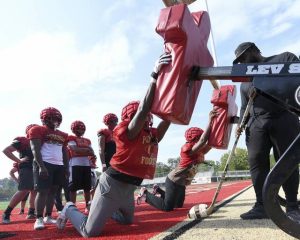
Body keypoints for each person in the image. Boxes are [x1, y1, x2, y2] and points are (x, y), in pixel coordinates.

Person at [56, 53, 172, 237]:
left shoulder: (150, 134)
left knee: (127, 221)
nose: (147, 117)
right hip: (112, 185)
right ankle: (70, 209)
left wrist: (179, 90)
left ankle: (103, 211)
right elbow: (142, 111)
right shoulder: (125, 130)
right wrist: (154, 76)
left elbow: (168, 117)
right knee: (89, 232)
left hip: (128, 188)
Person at [233, 42, 300, 220]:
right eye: (238, 62)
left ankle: (292, 206)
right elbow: (243, 107)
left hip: (284, 116)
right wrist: (240, 124)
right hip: (256, 124)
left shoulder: (284, 58)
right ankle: (261, 205)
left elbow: (295, 83)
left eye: (243, 58)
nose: (242, 64)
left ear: (254, 51)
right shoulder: (246, 80)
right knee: (256, 163)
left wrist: (264, 84)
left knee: (287, 161)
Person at [136, 109, 217, 211]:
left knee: (178, 205)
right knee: (167, 207)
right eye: (199, 138)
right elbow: (203, 140)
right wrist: (210, 121)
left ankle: (159, 190)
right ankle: (145, 194)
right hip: (173, 181)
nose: (202, 140)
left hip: (181, 183)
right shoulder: (187, 149)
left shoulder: (200, 151)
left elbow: (212, 143)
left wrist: (218, 125)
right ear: (195, 139)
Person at [28, 107, 69, 230]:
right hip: (45, 163)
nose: (55, 121)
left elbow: (64, 151)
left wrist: (66, 167)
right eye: (52, 118)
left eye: (57, 118)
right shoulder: (37, 129)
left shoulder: (63, 134)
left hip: (59, 165)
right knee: (42, 191)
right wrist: (41, 166)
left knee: (53, 191)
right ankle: (39, 218)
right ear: (45, 118)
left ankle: (48, 216)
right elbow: (35, 149)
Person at [2, 124, 37, 224]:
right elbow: (6, 150)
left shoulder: (39, 141)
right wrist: (19, 161)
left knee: (34, 191)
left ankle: (31, 212)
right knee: (24, 190)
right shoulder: (23, 140)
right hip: (26, 168)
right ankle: (7, 213)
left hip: (36, 168)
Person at [67, 120, 96, 213]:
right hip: (75, 164)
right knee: (73, 187)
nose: (81, 130)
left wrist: (82, 150)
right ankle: (72, 207)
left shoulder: (87, 140)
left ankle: (88, 205)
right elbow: (75, 150)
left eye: (82, 128)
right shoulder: (71, 138)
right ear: (74, 129)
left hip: (86, 164)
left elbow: (92, 152)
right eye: (79, 128)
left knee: (87, 187)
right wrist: (86, 150)